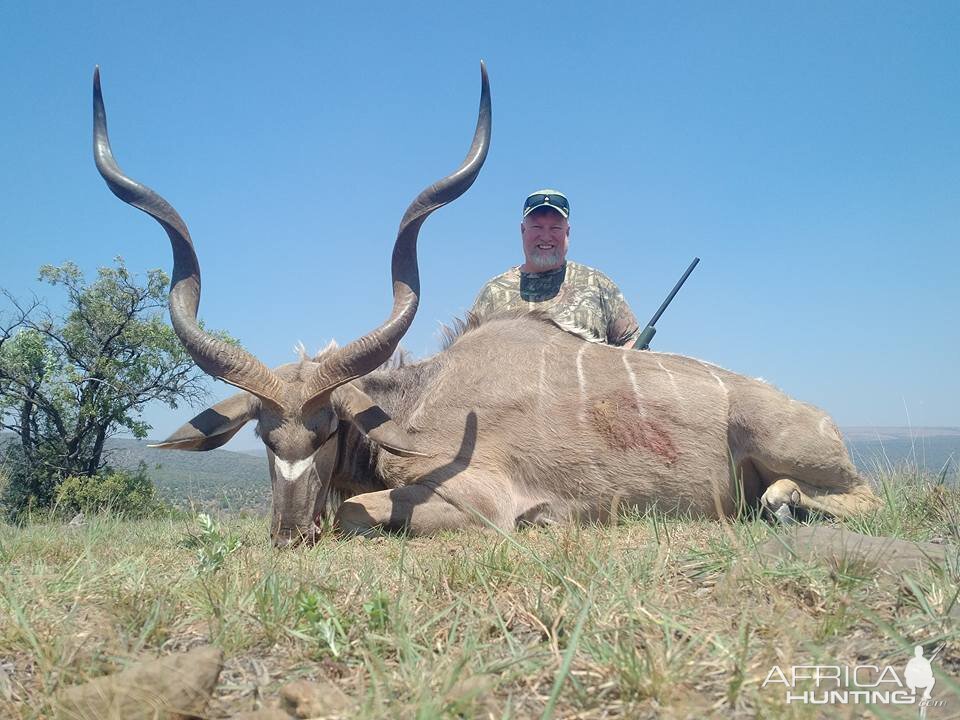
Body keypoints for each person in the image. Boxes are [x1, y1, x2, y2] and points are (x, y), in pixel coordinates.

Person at [471, 189, 641, 346]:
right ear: (523, 230)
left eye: (555, 228)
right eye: (537, 227)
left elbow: (633, 342)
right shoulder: (493, 292)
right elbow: (471, 353)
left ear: (567, 232)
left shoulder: (597, 283)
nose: (546, 236)